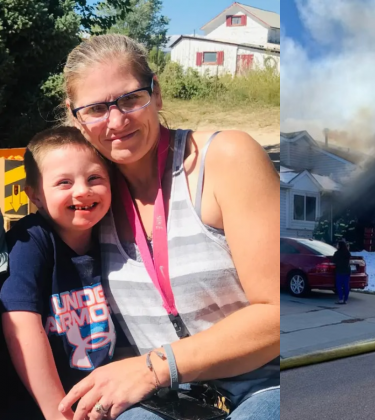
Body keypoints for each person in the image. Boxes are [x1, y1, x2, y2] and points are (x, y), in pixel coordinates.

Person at [57, 34, 280, 420]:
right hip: (166, 399)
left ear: (156, 93)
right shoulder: (92, 198)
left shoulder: (225, 159)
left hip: (264, 386)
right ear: (75, 116)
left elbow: (278, 311)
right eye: (95, 108)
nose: (116, 120)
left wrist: (156, 366)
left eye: (129, 99)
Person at [0, 127, 117, 420]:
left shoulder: (115, 234)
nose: (82, 190)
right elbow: (21, 327)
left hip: (106, 399)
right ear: (35, 196)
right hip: (44, 406)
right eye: (64, 183)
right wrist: (57, 413)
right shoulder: (30, 241)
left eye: (94, 178)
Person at [333, 240, 352, 304]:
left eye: (338, 245)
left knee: (339, 285)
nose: (337, 246)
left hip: (340, 271)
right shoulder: (347, 253)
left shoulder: (337, 253)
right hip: (347, 271)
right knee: (346, 285)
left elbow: (333, 260)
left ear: (339, 246)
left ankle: (341, 298)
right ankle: (346, 299)